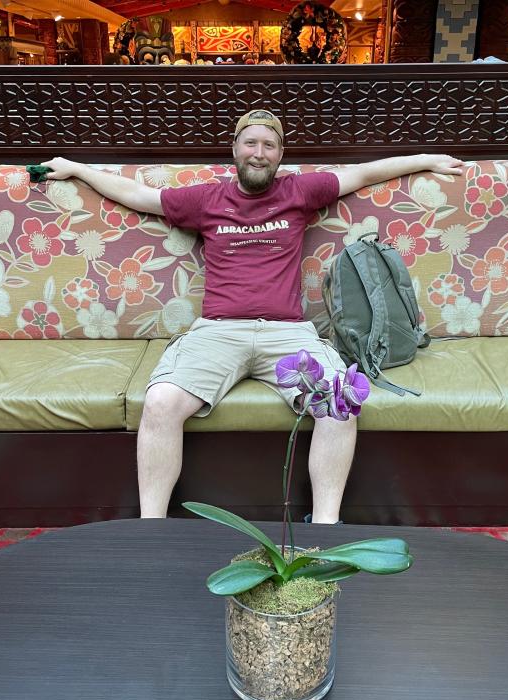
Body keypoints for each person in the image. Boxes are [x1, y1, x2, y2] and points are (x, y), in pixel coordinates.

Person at [42, 110, 463, 522]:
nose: (259, 153)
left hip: (288, 335)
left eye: (269, 145)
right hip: (218, 333)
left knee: (338, 402)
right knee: (160, 402)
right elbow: (138, 196)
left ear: (280, 156)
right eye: (251, 143)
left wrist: (427, 160)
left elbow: (365, 174)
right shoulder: (206, 198)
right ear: (235, 150)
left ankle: (326, 528)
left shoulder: (299, 191)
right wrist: (77, 168)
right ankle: (152, 530)